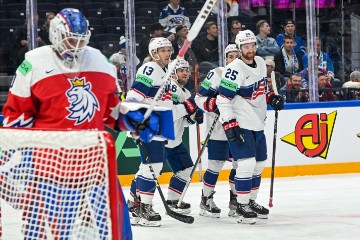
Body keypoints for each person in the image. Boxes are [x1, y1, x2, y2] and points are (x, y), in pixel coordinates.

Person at [2, 8, 173, 239]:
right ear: (55, 35)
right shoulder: (33, 63)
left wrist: (135, 119)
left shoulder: (98, 61)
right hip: (50, 170)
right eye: (70, 39)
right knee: (49, 232)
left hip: (95, 166)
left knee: (116, 229)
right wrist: (19, 163)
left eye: (80, 41)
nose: (75, 46)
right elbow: (16, 117)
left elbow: (110, 110)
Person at [125, 37, 198, 227]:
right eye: (163, 50)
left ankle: (135, 204)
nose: (167, 53)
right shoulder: (149, 69)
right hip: (149, 124)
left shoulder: (165, 72)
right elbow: (134, 96)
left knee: (147, 168)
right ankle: (146, 207)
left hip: (161, 124)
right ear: (154, 53)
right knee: (153, 167)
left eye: (168, 50)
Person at [216, 29, 284, 224]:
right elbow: (223, 99)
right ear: (239, 48)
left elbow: (261, 90)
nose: (250, 49)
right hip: (241, 122)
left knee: (259, 163)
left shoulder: (261, 63)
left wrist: (272, 98)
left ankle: (251, 201)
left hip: (258, 122)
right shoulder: (234, 69)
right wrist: (229, 124)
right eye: (246, 46)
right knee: (245, 163)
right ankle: (241, 204)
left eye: (253, 45)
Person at [195, 44, 240, 218]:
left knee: (240, 163)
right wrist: (213, 105)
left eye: (237, 56)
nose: (234, 59)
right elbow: (199, 98)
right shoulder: (217, 73)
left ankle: (236, 200)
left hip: (240, 125)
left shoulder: (246, 75)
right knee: (215, 164)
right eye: (230, 56)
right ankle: (206, 200)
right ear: (225, 59)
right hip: (219, 128)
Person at [164, 59, 203, 213]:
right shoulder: (169, 88)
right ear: (173, 73)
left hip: (175, 141)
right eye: (181, 70)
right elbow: (168, 114)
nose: (185, 73)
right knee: (148, 172)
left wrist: (192, 118)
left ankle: (173, 200)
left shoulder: (186, 93)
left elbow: (181, 121)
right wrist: (187, 107)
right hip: (163, 140)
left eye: (187, 70)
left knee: (186, 169)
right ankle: (137, 201)